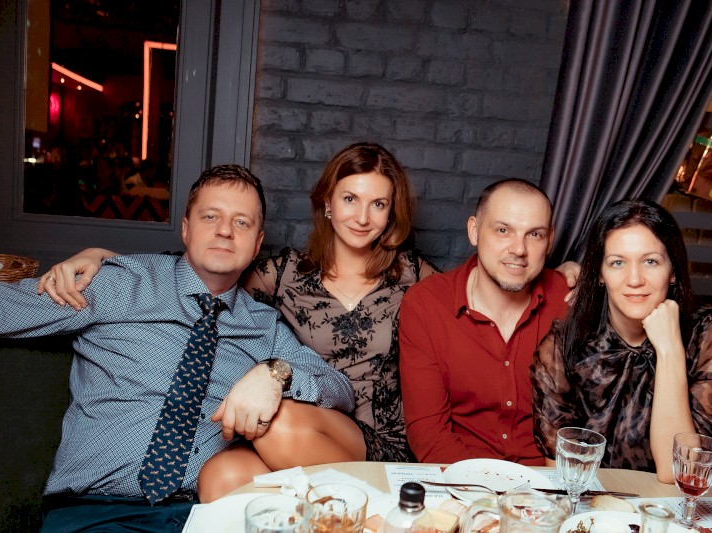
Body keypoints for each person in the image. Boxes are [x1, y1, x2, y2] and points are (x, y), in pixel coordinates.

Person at [38, 142, 438, 500]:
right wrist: (105, 259)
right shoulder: (284, 274)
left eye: (378, 204)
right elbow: (201, 268)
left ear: (391, 213)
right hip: (291, 435)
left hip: (361, 434)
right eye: (350, 198)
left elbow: (464, 303)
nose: (363, 217)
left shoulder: (415, 275)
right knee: (221, 474)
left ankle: (370, 505)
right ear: (328, 203)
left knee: (278, 423)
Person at [0, 164, 359, 531]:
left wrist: (275, 373)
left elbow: (339, 389)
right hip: (96, 510)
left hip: (204, 513)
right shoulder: (118, 285)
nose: (225, 231)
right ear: (186, 228)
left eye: (242, 222)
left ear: (257, 243)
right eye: (210, 216)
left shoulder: (263, 325)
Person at [531, 199, 712, 483]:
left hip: (675, 504)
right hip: (593, 502)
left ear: (673, 272)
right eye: (618, 263)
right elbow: (560, 474)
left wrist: (669, 350)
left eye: (650, 261)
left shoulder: (710, 335)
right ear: (600, 274)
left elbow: (683, 474)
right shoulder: (563, 344)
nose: (634, 279)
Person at [398, 178, 572, 465]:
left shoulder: (568, 299)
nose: (519, 249)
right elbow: (428, 435)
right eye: (503, 230)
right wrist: (492, 488)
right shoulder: (427, 304)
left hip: (548, 482)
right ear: (474, 231)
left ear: (550, 241)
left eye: (534, 234)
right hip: (459, 477)